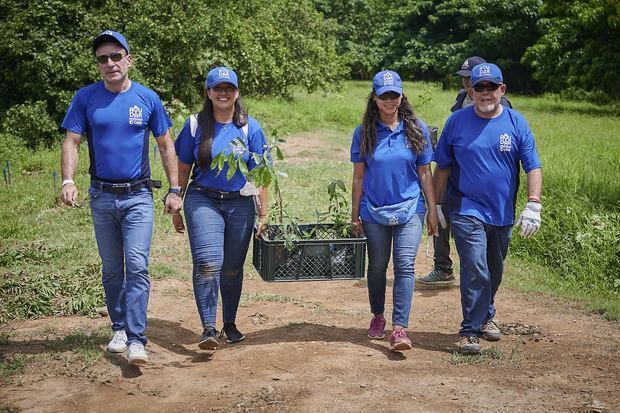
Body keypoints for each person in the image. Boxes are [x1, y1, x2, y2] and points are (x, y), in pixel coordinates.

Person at [60, 30, 182, 365]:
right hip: (101, 196)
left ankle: (138, 339)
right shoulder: (85, 98)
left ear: (129, 59)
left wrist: (174, 190)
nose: (110, 63)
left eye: (116, 56)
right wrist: (67, 180)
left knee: (138, 266)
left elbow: (165, 145)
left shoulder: (147, 98)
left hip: (138, 196)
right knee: (113, 268)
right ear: (98, 64)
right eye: (103, 58)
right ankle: (119, 329)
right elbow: (72, 141)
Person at [433, 63, 543, 355]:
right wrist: (434, 205)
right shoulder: (456, 123)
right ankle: (469, 331)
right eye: (478, 87)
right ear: (470, 90)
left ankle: (486, 315)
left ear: (501, 90)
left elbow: (533, 166)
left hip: (502, 213)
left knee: (494, 270)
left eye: (490, 87)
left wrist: (534, 203)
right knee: (475, 267)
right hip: (466, 208)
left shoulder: (516, 123)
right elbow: (441, 168)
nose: (484, 93)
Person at [172, 67, 268, 350]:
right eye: (218, 88)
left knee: (231, 268)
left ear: (237, 93)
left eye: (229, 88)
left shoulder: (251, 127)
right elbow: (182, 167)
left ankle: (229, 323)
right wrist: (176, 202)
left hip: (240, 201)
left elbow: (261, 173)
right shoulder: (194, 125)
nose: (223, 93)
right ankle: (208, 328)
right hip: (203, 198)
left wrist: (263, 213)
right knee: (207, 263)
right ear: (208, 93)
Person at [350, 70, 438, 351]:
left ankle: (400, 329)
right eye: (384, 95)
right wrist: (355, 215)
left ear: (402, 96)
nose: (390, 100)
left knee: (405, 266)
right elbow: (359, 177)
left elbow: (425, 172)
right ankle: (378, 315)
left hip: (411, 208)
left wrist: (433, 209)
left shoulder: (416, 128)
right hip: (373, 209)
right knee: (376, 266)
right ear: (374, 98)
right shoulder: (364, 132)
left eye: (394, 95)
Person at [419, 55, 513, 289]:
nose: (467, 83)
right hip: (451, 173)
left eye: (470, 78)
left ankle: (480, 281)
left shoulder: (503, 106)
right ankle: (443, 267)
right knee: (439, 215)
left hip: (479, 185)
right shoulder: (461, 99)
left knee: (478, 239)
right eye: (464, 79)